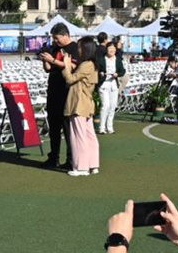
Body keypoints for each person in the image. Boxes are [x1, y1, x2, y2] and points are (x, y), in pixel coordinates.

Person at [39, 23, 79, 169]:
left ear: (66, 35)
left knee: (68, 128)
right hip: (53, 90)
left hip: (66, 92)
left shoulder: (74, 48)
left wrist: (53, 60)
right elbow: (48, 69)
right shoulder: (55, 48)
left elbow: (72, 66)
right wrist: (45, 60)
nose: (55, 41)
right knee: (54, 128)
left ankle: (71, 159)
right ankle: (53, 157)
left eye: (57, 38)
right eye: (54, 39)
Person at [60, 37, 99, 176]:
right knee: (89, 135)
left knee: (78, 136)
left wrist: (66, 66)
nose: (78, 50)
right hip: (87, 102)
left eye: (80, 47)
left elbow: (70, 79)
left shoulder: (86, 64)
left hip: (79, 103)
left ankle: (81, 167)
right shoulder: (92, 64)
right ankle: (93, 164)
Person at [98, 37, 123, 135]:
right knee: (106, 105)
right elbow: (97, 69)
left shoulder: (118, 60)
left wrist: (117, 74)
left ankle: (110, 127)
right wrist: (101, 73)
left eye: (113, 48)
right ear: (106, 49)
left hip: (114, 84)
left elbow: (122, 71)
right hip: (104, 84)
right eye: (110, 48)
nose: (112, 50)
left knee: (113, 106)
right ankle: (101, 127)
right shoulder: (101, 59)